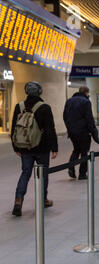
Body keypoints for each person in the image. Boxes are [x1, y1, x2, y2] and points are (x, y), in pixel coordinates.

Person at [11, 82, 58, 217]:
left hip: (24, 146)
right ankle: (43, 200)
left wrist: (16, 146)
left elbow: (14, 127)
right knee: (43, 174)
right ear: (40, 92)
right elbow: (50, 129)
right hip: (41, 147)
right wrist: (54, 148)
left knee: (25, 173)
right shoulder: (44, 107)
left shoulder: (19, 107)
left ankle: (18, 200)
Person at [63, 86, 99, 180]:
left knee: (76, 150)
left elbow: (65, 116)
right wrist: (93, 132)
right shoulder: (86, 102)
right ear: (86, 92)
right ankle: (82, 174)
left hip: (72, 132)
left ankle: (71, 167)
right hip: (83, 132)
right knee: (84, 152)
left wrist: (69, 128)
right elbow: (89, 118)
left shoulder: (69, 101)